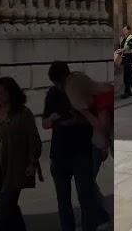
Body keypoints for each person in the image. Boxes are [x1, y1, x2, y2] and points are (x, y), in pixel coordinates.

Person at [44, 62, 109, 231]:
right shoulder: (52, 94)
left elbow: (99, 122)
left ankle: (95, 222)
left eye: (60, 82)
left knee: (86, 196)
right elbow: (44, 122)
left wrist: (78, 119)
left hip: (82, 150)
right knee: (63, 201)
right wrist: (50, 119)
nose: (59, 86)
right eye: (56, 83)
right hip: (59, 153)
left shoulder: (81, 89)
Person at [0, 77, 42, 231]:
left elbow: (33, 139)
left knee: (7, 208)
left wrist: (32, 162)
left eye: (2, 93)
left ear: (11, 93)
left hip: (15, 166)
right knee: (9, 208)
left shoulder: (22, 113)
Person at [116, 25, 132, 99]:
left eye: (125, 30)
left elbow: (129, 47)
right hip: (124, 59)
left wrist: (122, 50)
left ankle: (127, 92)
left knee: (127, 76)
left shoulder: (131, 38)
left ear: (129, 30)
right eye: (123, 30)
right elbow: (121, 47)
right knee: (130, 75)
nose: (124, 31)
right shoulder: (123, 39)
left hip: (130, 59)